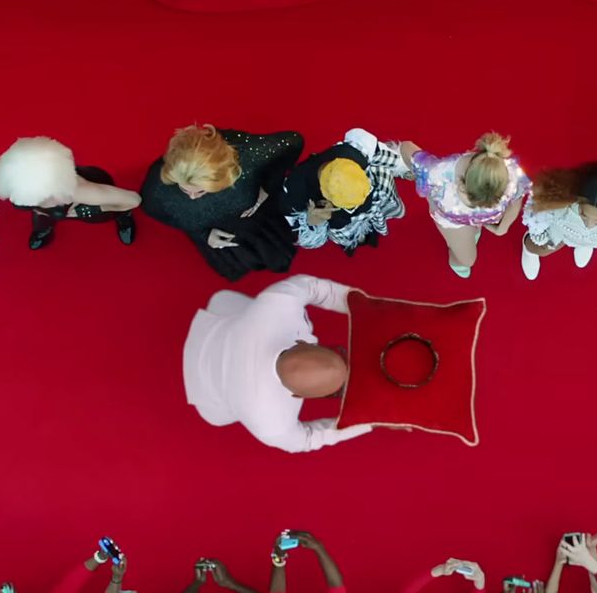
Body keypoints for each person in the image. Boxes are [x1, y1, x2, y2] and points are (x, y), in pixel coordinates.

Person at [182, 274, 390, 453]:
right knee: (217, 416)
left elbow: (315, 288)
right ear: (297, 396)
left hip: (224, 329)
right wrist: (369, 422)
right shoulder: (271, 423)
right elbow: (309, 440)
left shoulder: (277, 303)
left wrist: (364, 306)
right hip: (209, 395)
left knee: (230, 302)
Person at [139, 123, 303, 281]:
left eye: (201, 190)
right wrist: (203, 235)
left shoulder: (248, 157)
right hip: (213, 230)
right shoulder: (155, 189)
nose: (192, 197)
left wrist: (268, 187)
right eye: (184, 189)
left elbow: (293, 142)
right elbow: (155, 211)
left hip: (255, 219)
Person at [400, 132, 531, 278]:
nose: (482, 207)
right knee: (467, 260)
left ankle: (473, 231)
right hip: (454, 223)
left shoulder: (510, 173)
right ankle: (456, 257)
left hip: (474, 221)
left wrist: (503, 228)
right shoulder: (438, 174)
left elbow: (517, 197)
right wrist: (420, 178)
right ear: (461, 183)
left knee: (473, 234)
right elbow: (406, 147)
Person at [0, 137, 141, 249]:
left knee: (105, 215)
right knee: (42, 220)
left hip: (87, 202)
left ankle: (123, 217)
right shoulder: (6, 173)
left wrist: (94, 209)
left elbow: (134, 200)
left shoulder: (81, 192)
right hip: (52, 208)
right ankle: (45, 229)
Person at [282, 128, 410, 255]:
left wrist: (405, 168)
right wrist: (312, 221)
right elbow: (300, 234)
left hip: (374, 192)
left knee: (382, 187)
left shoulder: (355, 152)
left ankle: (377, 217)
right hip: (338, 219)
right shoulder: (295, 190)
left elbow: (382, 155)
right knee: (343, 230)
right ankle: (355, 235)